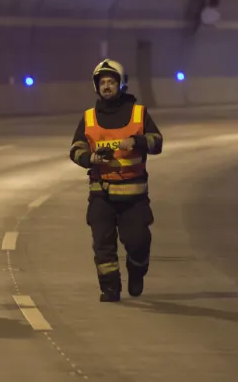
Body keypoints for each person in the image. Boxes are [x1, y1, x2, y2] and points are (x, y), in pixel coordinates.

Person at [68, 59, 163, 302]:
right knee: (103, 243)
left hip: (134, 196)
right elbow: (76, 149)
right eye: (103, 82)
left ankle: (137, 269)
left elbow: (157, 142)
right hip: (101, 193)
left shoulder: (138, 113)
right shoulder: (88, 117)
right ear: (96, 86)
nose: (107, 86)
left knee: (138, 241)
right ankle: (110, 288)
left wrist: (137, 141)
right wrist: (90, 158)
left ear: (121, 84)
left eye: (111, 82)